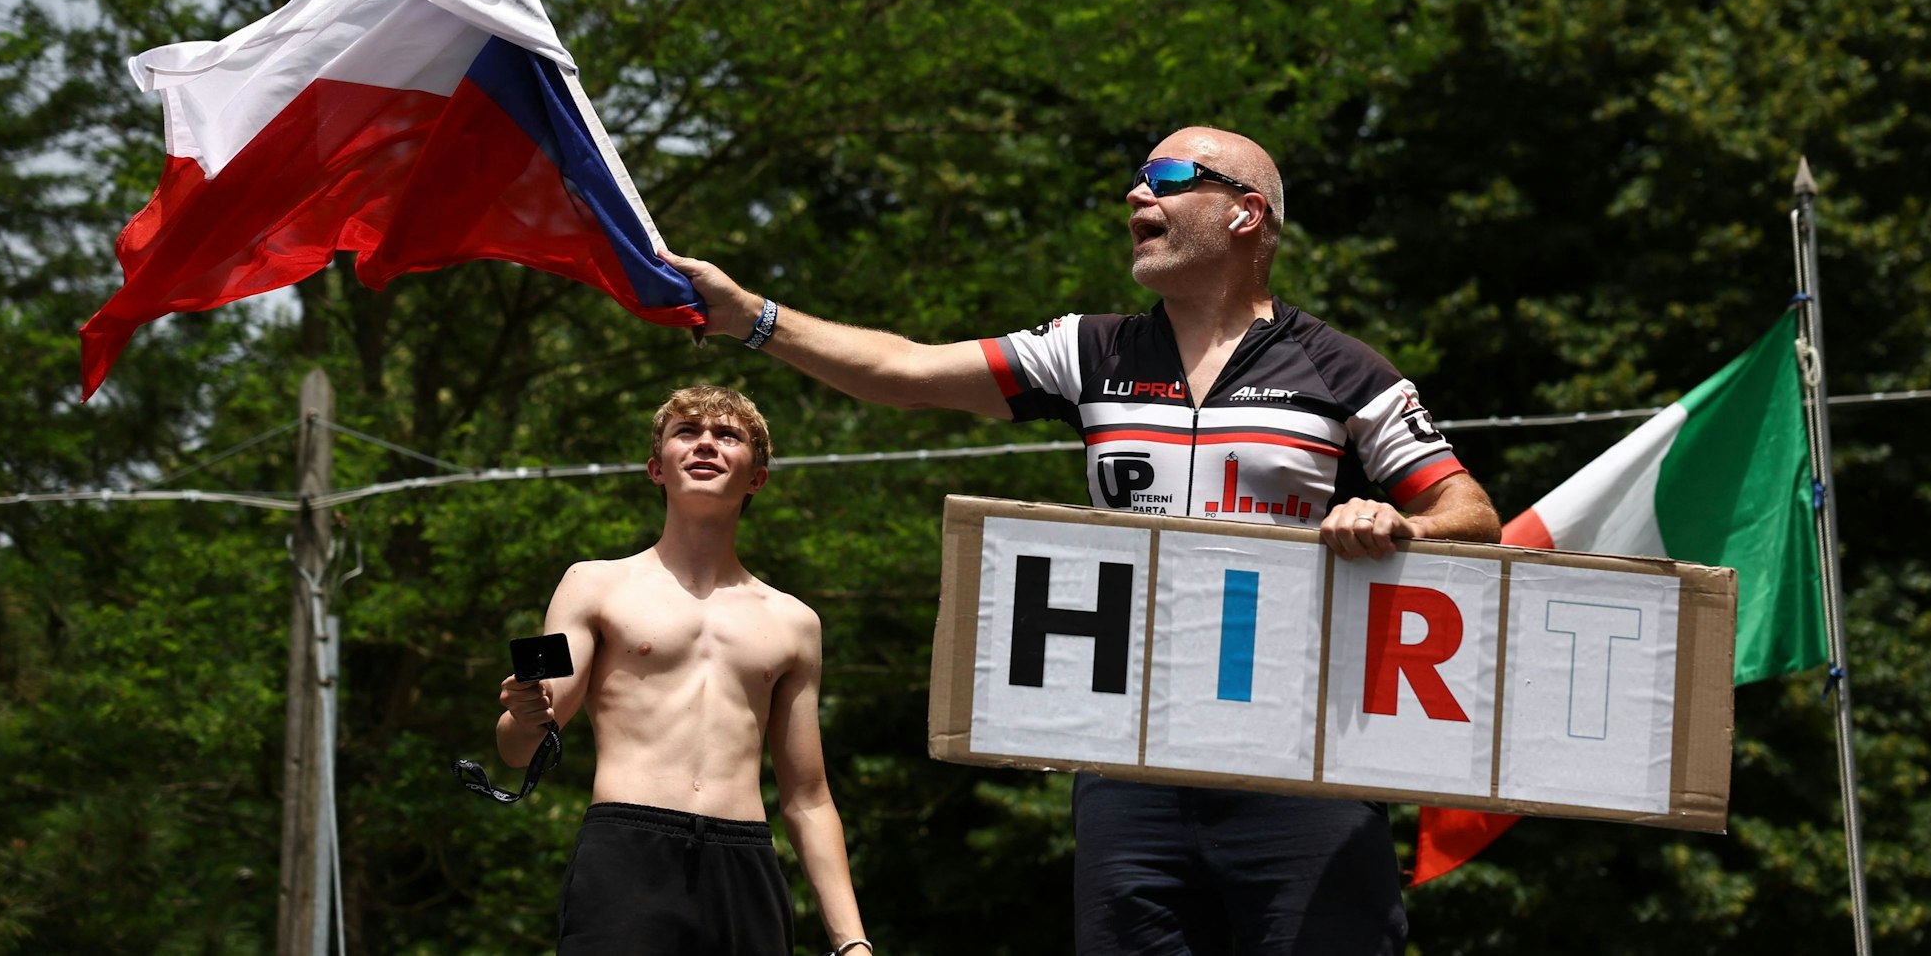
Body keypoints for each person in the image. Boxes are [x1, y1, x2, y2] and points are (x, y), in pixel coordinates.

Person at [662, 127, 1501, 955]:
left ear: (1247, 214)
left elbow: (1472, 511)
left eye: (1169, 176)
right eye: (1137, 178)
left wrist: (1401, 521)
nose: (1138, 194)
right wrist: (751, 318)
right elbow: (905, 373)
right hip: (1126, 762)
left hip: (1300, 761)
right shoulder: (1090, 350)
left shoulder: (1345, 368)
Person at [496, 385, 872, 956]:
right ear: (656, 468)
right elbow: (523, 744)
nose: (705, 445)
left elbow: (808, 797)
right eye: (687, 432)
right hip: (628, 850)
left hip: (744, 860)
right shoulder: (594, 584)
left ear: (757, 477)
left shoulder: (795, 623)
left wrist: (852, 943)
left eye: (727, 435)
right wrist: (525, 713)